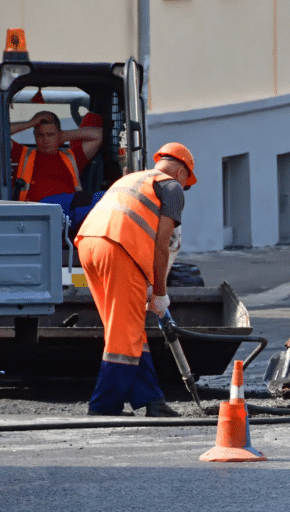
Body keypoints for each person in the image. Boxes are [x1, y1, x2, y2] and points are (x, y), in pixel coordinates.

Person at [74, 142, 198, 417]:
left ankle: (151, 399)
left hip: (88, 245)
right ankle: (104, 406)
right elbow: (162, 244)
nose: (184, 187)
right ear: (180, 172)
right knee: (124, 335)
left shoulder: (132, 178)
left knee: (126, 329)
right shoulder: (171, 187)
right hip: (119, 249)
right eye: (186, 182)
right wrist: (160, 293)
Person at [10, 110, 104, 230]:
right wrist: (31, 123)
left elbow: (99, 135)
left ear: (58, 135)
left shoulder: (72, 156)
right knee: (85, 200)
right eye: (40, 135)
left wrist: (64, 136)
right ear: (34, 135)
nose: (45, 140)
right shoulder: (22, 154)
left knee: (107, 197)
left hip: (72, 210)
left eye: (50, 135)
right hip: (37, 212)